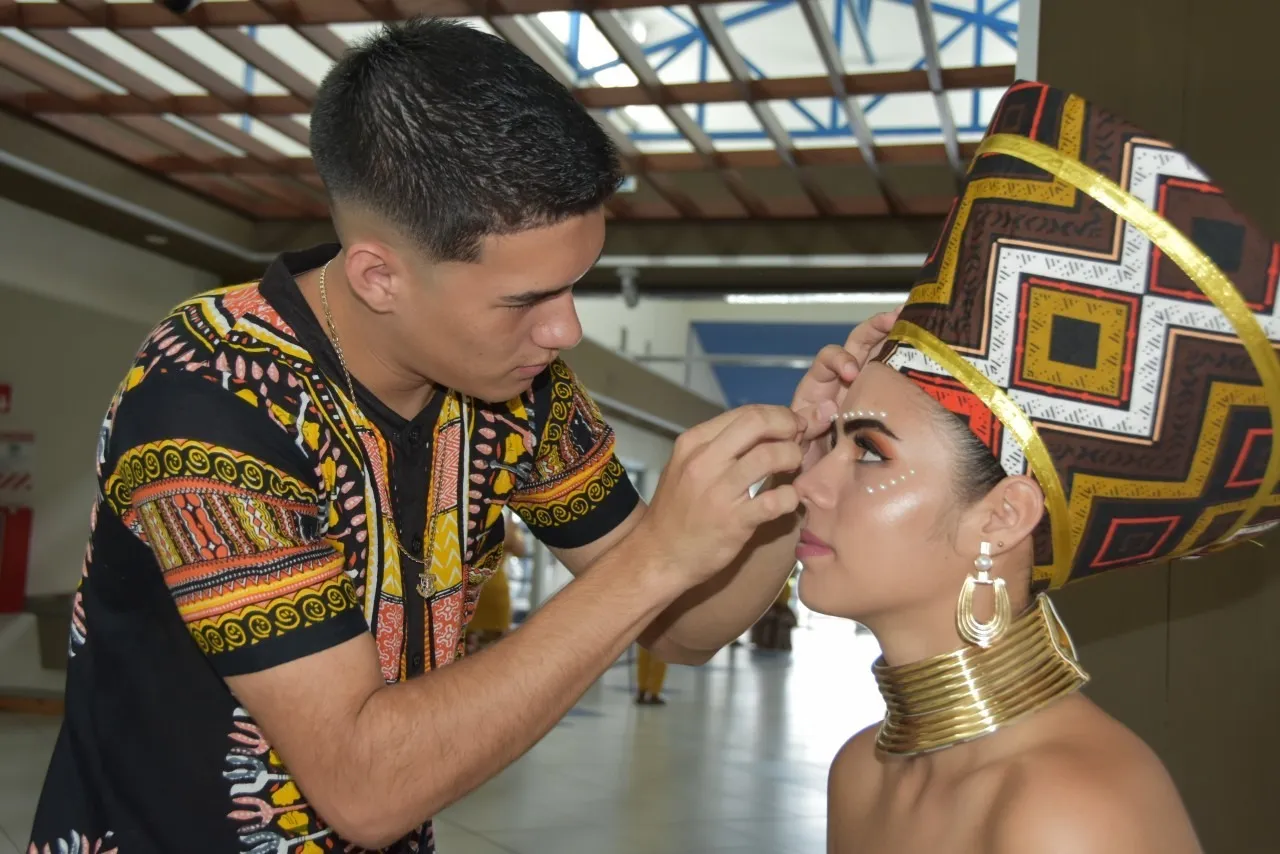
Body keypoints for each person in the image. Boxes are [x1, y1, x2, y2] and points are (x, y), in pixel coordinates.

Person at [28, 17, 899, 854]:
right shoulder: (210, 397)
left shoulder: (523, 393)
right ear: (379, 277)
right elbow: (366, 787)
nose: (565, 331)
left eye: (575, 287)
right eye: (526, 300)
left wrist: (800, 468)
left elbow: (683, 629)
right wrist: (654, 559)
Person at [795, 79, 1279, 854]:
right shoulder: (860, 770)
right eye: (831, 445)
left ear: (1003, 516)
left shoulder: (1069, 814)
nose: (809, 483)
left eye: (870, 452)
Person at [465, 512, 524, 653]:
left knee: (496, 654)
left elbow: (520, 550)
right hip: (467, 597)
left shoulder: (506, 521)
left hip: (495, 597)